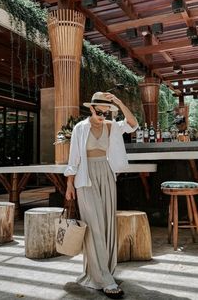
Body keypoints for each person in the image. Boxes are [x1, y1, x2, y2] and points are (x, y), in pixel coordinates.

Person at [64, 92, 138, 299]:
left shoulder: (111, 126)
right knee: (94, 225)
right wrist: (69, 184)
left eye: (106, 112)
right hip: (85, 178)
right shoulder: (80, 128)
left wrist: (119, 102)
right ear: (91, 108)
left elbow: (132, 123)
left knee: (106, 224)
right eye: (99, 111)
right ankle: (104, 278)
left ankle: (103, 270)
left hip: (106, 174)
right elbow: (73, 158)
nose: (102, 115)